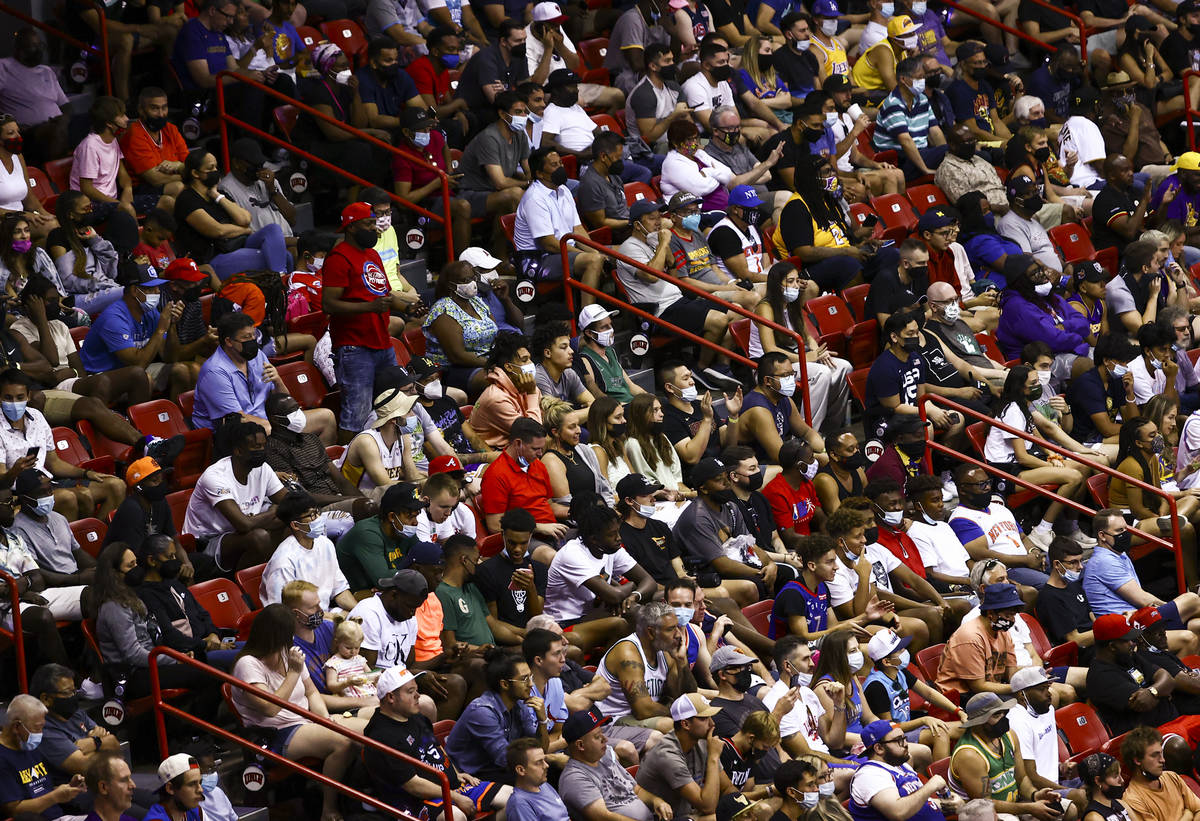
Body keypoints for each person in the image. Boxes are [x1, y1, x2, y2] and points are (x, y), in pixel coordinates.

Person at [231, 604, 368, 821]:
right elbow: (270, 707)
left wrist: (325, 719)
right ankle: (328, 809)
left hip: (307, 720)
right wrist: (294, 673)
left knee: (371, 727)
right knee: (343, 742)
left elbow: (312, 692)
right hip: (275, 733)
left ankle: (368, 798)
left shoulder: (289, 655)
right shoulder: (248, 664)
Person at [363, 663, 512, 821]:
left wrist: (455, 773)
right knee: (455, 816)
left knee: (512, 798)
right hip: (416, 802)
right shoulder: (381, 735)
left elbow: (436, 747)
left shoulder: (417, 717)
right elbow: (413, 785)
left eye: (416, 690)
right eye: (410, 691)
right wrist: (454, 796)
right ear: (391, 697)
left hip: (450, 787)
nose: (418, 695)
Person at [183, 421, 288, 572]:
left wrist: (263, 517)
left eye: (264, 445)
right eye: (257, 447)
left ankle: (272, 570)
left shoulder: (263, 468)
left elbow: (289, 503)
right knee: (259, 537)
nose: (263, 450)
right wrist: (273, 511)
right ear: (238, 451)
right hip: (208, 541)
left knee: (291, 518)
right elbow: (243, 524)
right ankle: (240, 583)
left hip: (246, 528)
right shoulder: (215, 476)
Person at [947, 691, 1063, 816]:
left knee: (1066, 809)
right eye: (997, 715)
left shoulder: (1009, 735)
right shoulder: (969, 755)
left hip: (1016, 804)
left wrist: (1035, 795)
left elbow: (1021, 778)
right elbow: (985, 804)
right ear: (980, 722)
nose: (1004, 718)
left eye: (1004, 712)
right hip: (984, 814)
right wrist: (1029, 807)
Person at [134, 534, 240, 671]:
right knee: (251, 656)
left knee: (260, 648)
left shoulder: (174, 583)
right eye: (170, 557)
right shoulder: (146, 595)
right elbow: (169, 636)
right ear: (152, 560)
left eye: (174, 556)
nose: (175, 561)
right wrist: (205, 645)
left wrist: (213, 635)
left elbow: (202, 614)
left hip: (211, 645)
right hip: (191, 654)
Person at [512, 147, 605, 299]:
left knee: (618, 253)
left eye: (561, 163)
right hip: (538, 259)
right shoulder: (534, 198)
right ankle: (590, 318)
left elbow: (578, 229)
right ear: (540, 173)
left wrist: (595, 250)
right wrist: (589, 255)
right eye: (554, 165)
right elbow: (549, 243)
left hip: (563, 251)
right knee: (593, 261)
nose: (561, 167)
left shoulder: (563, 190)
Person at [446, 649, 548, 783]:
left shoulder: (520, 703)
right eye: (524, 679)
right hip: (471, 776)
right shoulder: (482, 712)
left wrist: (542, 721)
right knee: (536, 776)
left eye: (531, 677)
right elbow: (504, 760)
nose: (531, 684)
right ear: (504, 684)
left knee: (552, 769)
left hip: (498, 768)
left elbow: (539, 748)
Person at [949, 465, 1051, 588]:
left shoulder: (999, 508)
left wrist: (1034, 553)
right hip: (1006, 571)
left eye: (988, 482)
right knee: (1050, 584)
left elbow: (1023, 537)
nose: (987, 487)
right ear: (963, 489)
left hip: (1026, 560)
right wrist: (1026, 560)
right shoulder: (961, 519)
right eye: (981, 484)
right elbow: (982, 554)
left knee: (1068, 564)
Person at [636, 694, 731, 820]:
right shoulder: (667, 755)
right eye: (704, 719)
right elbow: (707, 807)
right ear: (686, 724)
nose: (712, 724)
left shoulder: (701, 742)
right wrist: (713, 758)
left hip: (689, 815)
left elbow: (728, 788)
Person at [560, 707, 664, 821]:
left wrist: (656, 801)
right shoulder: (574, 778)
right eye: (597, 736)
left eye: (602, 733)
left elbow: (635, 789)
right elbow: (603, 817)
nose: (605, 739)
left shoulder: (606, 755)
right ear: (580, 745)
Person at [478, 418, 569, 545]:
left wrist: (573, 512)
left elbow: (549, 505)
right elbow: (494, 526)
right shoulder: (496, 475)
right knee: (552, 557)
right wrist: (537, 527)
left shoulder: (538, 465)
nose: (540, 454)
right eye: (535, 449)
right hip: (524, 539)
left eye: (542, 448)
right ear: (518, 443)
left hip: (553, 530)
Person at [261, 491, 356, 612]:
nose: (319, 518)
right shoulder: (284, 561)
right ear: (295, 525)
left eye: (317, 512)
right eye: (312, 515)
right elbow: (286, 611)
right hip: (300, 621)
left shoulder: (325, 544)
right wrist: (333, 618)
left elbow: (339, 590)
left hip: (325, 613)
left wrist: (359, 611)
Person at [1085, 614, 1179, 734]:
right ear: (1112, 646)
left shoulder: (1128, 656)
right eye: (1127, 640)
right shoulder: (1101, 677)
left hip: (1174, 723)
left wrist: (1152, 692)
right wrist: (1162, 690)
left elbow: (1169, 678)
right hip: (1149, 737)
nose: (1132, 643)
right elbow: (1146, 703)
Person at [29, 662, 121, 783]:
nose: (73, 697)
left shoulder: (77, 714)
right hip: (76, 792)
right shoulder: (43, 729)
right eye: (68, 692)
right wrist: (101, 743)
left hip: (106, 782)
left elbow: (114, 743)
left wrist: (94, 742)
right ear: (46, 699)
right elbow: (83, 766)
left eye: (74, 691)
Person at [851, 719, 958, 821]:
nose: (906, 744)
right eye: (899, 740)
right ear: (879, 748)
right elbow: (898, 812)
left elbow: (921, 802)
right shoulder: (869, 775)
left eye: (904, 738)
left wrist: (951, 805)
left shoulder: (900, 765)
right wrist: (930, 786)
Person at [737, 353, 825, 465]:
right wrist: (819, 458)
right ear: (767, 381)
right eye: (785, 376)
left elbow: (806, 432)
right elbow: (781, 457)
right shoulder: (758, 410)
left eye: (792, 374)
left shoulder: (783, 399)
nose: (791, 380)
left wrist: (823, 451)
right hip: (751, 469)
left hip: (774, 460)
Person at [935, 583, 1020, 695]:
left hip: (989, 691)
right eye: (1008, 615)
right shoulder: (970, 637)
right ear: (990, 613)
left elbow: (1011, 672)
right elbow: (979, 686)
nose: (1012, 620)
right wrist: (1019, 688)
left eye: (1013, 615)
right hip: (960, 696)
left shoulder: (1002, 632)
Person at [874, 56, 947, 180]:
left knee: (971, 154)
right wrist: (925, 170)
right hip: (901, 161)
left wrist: (949, 156)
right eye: (919, 77)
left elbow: (935, 132)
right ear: (903, 79)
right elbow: (905, 141)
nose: (923, 81)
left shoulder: (922, 99)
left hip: (923, 153)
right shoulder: (893, 104)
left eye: (924, 77)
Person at [1119, 726, 1200, 820]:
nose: (1162, 760)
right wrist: (1188, 813)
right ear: (1137, 760)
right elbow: (1195, 811)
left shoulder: (1172, 776)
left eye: (1161, 753)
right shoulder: (1133, 800)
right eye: (1155, 755)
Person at [1034, 538, 1096, 660]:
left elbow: (1092, 617)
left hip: (1097, 644)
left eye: (1080, 561)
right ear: (1057, 564)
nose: (1080, 567)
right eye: (1073, 562)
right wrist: (1108, 632)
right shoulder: (1049, 598)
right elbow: (1075, 640)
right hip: (1082, 655)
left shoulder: (1074, 585)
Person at [506, 737, 568, 821]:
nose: (546, 765)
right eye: (539, 762)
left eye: (544, 760)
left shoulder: (544, 785)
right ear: (521, 770)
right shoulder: (520, 804)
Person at [1077, 752, 1131, 821]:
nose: (1122, 780)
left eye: (1120, 774)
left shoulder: (1120, 803)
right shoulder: (1094, 817)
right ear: (1098, 780)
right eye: (1115, 776)